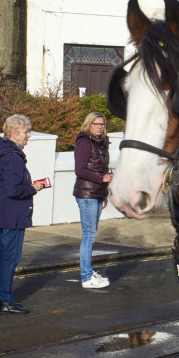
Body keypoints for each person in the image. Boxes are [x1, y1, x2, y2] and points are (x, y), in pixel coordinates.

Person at [0, 114, 47, 314]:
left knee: (5, 257)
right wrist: (34, 187)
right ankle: (5, 300)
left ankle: (0, 298)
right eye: (25, 132)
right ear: (13, 134)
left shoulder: (2, 153)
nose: (29, 136)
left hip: (5, 213)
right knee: (10, 258)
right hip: (13, 215)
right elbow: (14, 190)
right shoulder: (13, 158)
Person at [74, 112, 113, 289]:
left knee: (91, 234)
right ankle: (86, 276)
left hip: (97, 194)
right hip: (87, 194)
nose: (99, 127)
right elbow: (80, 170)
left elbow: (102, 169)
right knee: (88, 235)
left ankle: (88, 271)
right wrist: (102, 179)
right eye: (96, 124)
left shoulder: (102, 144)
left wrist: (104, 193)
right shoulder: (84, 143)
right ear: (88, 125)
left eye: (102, 124)